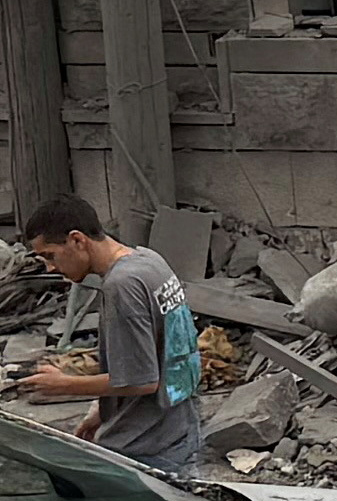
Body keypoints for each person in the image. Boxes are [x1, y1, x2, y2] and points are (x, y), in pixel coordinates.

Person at [15, 199, 206, 475]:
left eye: (50, 255)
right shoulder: (148, 260)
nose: (50, 268)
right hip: (178, 428)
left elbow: (143, 380)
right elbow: (152, 352)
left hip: (148, 446)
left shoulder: (123, 285)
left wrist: (64, 384)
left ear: (77, 240)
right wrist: (103, 410)